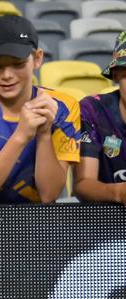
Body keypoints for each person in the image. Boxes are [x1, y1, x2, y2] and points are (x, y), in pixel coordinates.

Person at [0, 15, 80, 204]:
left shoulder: (64, 108)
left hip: (34, 223)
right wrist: (21, 135)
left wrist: (44, 134)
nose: (7, 75)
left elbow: (49, 195)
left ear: (37, 59)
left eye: (18, 64)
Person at [74, 31, 126, 204]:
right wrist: (118, 192)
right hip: (105, 222)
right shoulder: (93, 110)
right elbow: (82, 185)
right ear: (116, 74)